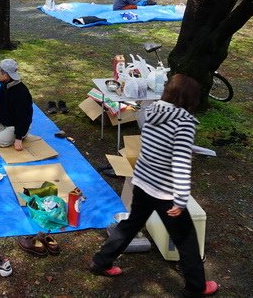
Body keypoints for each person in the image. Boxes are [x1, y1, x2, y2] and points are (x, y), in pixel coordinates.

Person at [89, 74, 218, 297]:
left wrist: (188, 149)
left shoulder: (151, 111)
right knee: (186, 240)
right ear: (190, 99)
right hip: (165, 191)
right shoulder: (185, 122)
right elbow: (179, 163)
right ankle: (196, 287)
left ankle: (100, 262)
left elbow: (156, 145)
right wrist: (180, 198)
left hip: (142, 181)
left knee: (130, 224)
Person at [0, 59, 33, 150]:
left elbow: (24, 116)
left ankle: (23, 134)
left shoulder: (22, 92)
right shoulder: (4, 85)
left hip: (16, 126)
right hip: (3, 123)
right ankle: (5, 132)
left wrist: (18, 137)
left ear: (5, 75)